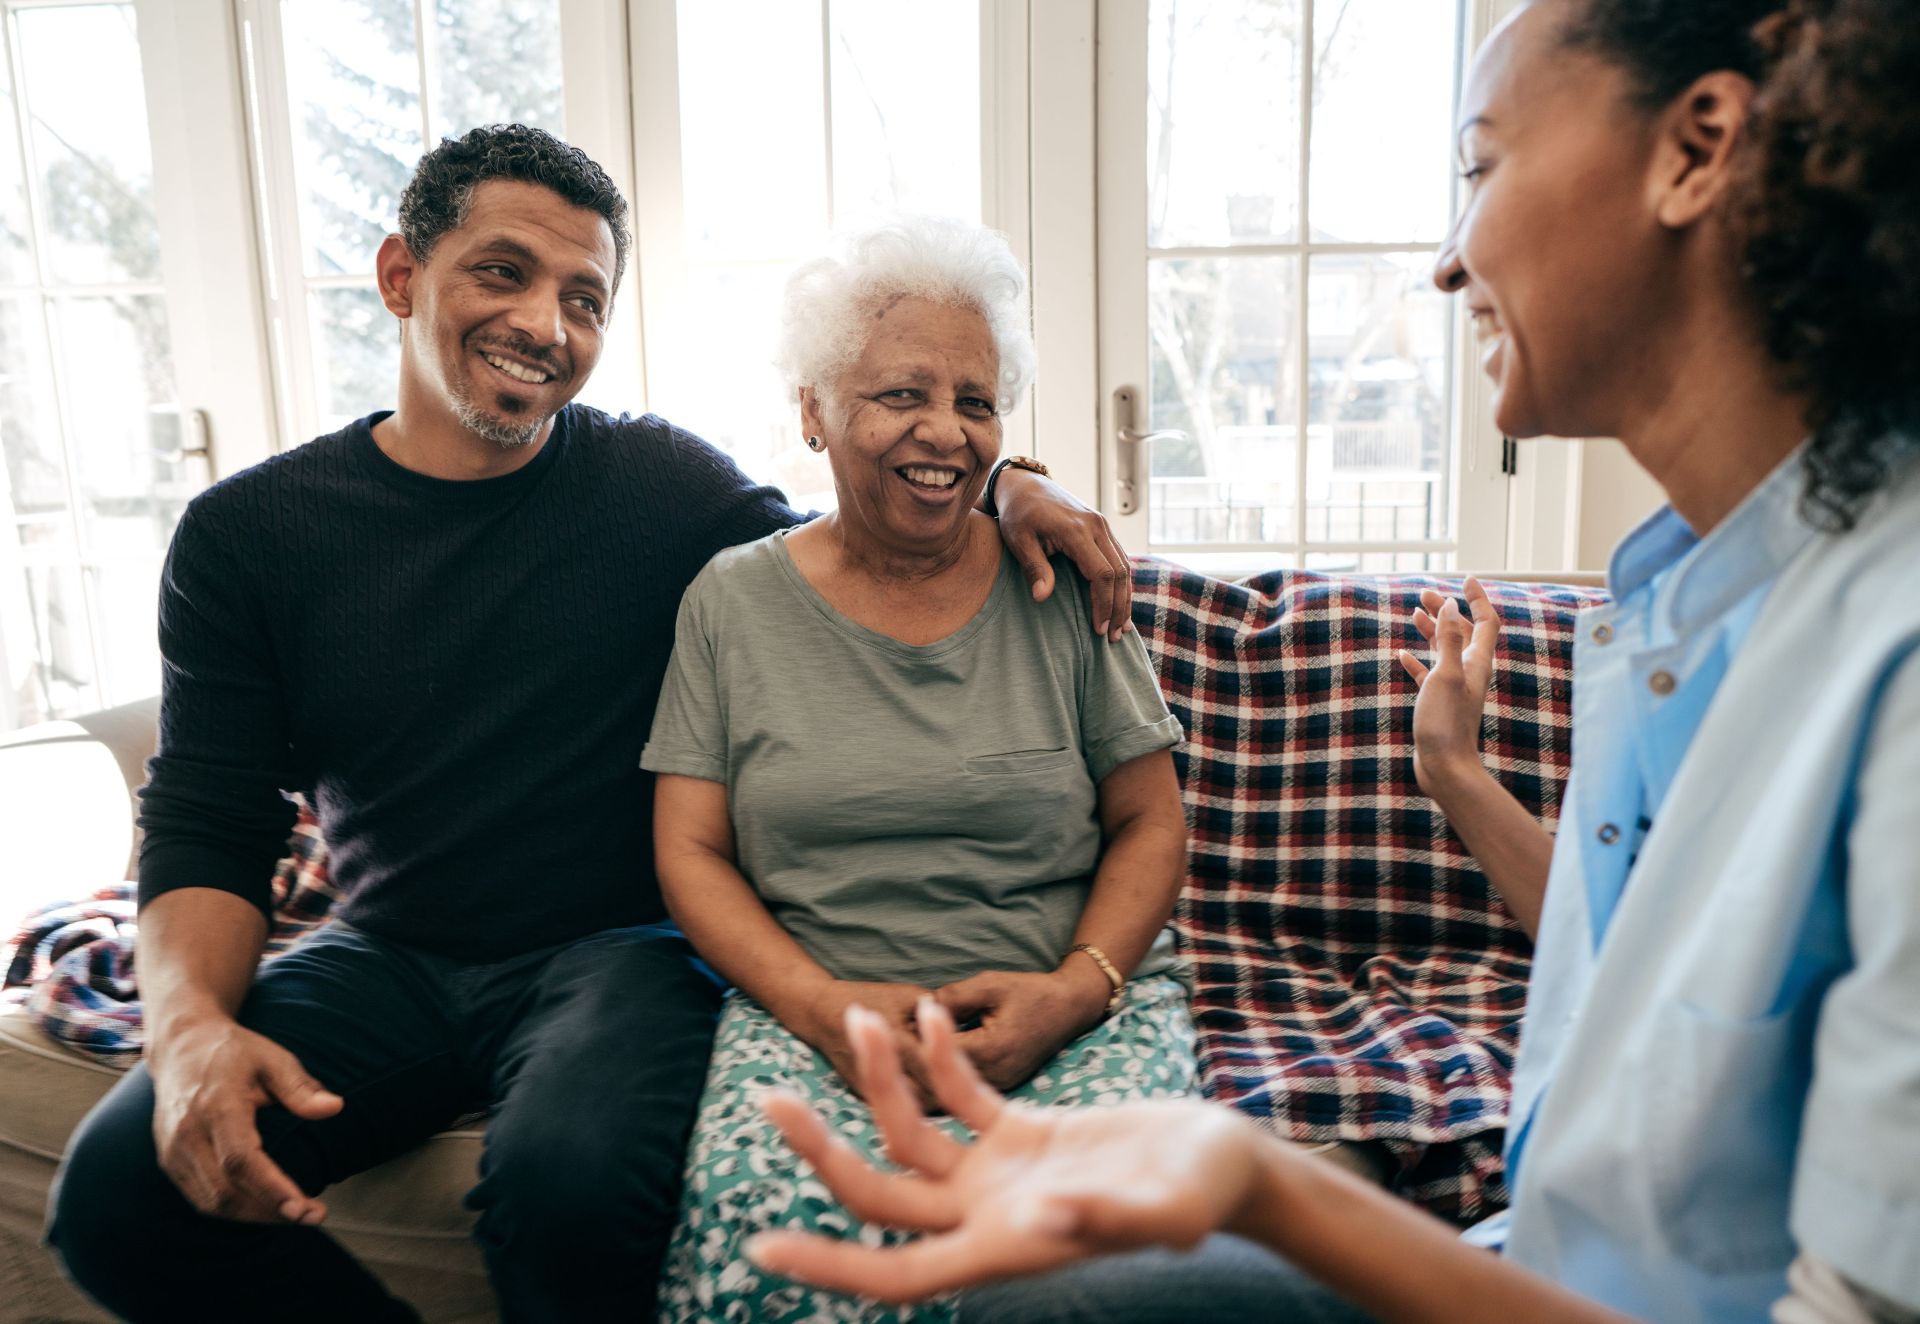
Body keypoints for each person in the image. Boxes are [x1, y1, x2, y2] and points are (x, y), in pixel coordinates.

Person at [740, 0, 1920, 1320]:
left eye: (1480, 166)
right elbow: (1664, 984)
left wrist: (1268, 1185)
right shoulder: (1671, 610)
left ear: (1695, 150)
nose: (1448, 262)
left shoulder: (1891, 662)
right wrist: (1456, 779)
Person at [41, 126, 1136, 1323]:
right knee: (117, 1192)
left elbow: (872, 517)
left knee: (570, 1189)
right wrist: (191, 1028)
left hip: (621, 951)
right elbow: (206, 817)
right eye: (502, 271)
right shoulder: (247, 536)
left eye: (585, 297)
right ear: (401, 275)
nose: (547, 325)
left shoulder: (663, 491)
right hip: (390, 952)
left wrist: (1017, 475)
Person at [640, 216, 1197, 1323]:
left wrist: (1074, 991)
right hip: (820, 1024)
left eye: (976, 402)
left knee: (1100, 1269)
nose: (944, 430)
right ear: (814, 411)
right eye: (901, 394)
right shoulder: (732, 602)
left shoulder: (1062, 578)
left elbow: (1150, 820)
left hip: (1073, 1014)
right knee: (771, 1245)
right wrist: (818, 1004)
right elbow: (690, 850)